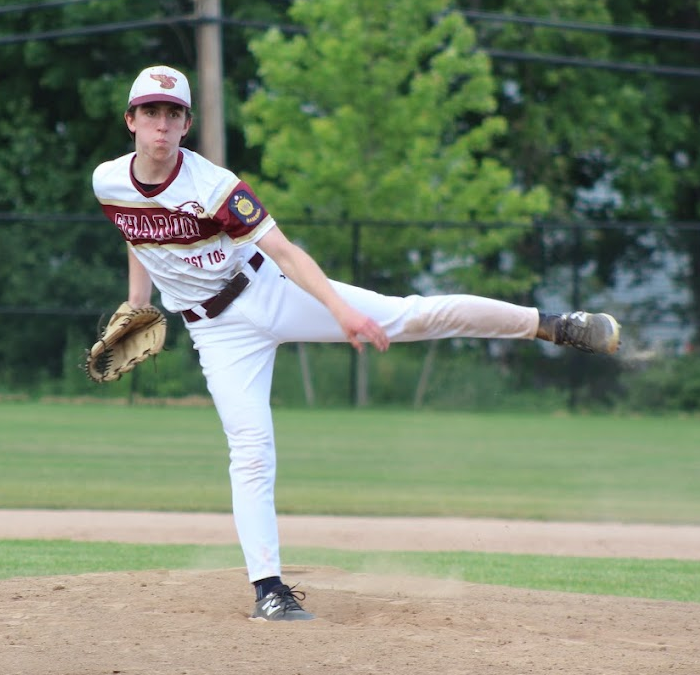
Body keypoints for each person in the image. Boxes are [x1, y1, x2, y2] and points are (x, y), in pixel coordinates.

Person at [92, 65, 621, 622]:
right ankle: (269, 590)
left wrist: (341, 312)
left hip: (267, 290)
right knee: (250, 449)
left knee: (409, 317)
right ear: (130, 121)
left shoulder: (216, 187)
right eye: (150, 112)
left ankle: (553, 324)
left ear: (186, 125)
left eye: (173, 114)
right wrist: (136, 304)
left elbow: (288, 254)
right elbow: (137, 232)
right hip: (217, 333)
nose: (161, 124)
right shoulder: (108, 181)